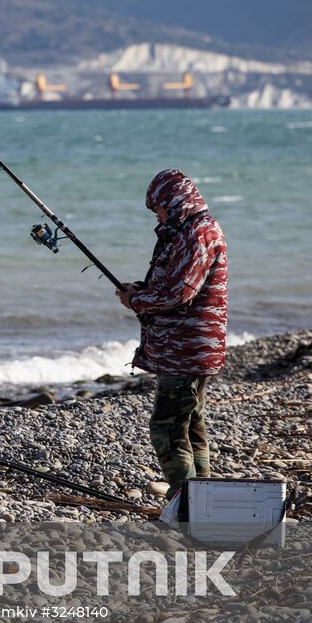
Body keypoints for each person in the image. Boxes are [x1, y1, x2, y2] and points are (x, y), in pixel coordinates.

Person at [115, 169, 228, 500]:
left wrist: (136, 301)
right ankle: (203, 499)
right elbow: (172, 284)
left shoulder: (197, 233)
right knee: (189, 423)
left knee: (165, 428)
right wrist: (142, 289)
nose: (157, 215)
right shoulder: (188, 231)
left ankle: (187, 502)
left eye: (159, 208)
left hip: (187, 349)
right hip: (190, 349)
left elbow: (179, 293)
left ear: (176, 202)